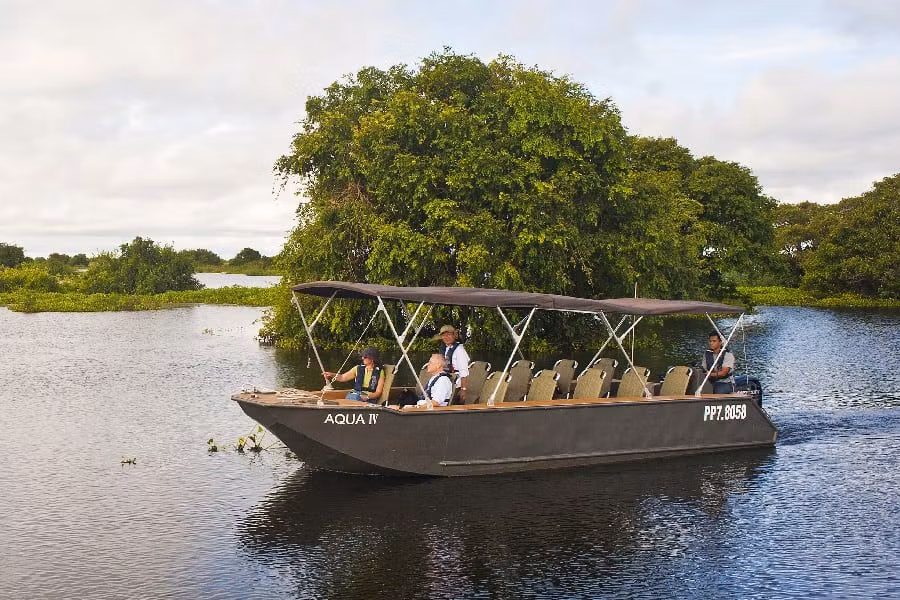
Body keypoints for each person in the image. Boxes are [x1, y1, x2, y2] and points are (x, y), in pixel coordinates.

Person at [434, 324, 470, 402]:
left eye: (449, 335)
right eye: (444, 335)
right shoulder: (445, 348)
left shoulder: (459, 350)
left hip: (455, 383)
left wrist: (463, 389)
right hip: (445, 380)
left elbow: (464, 372)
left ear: (454, 335)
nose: (446, 337)